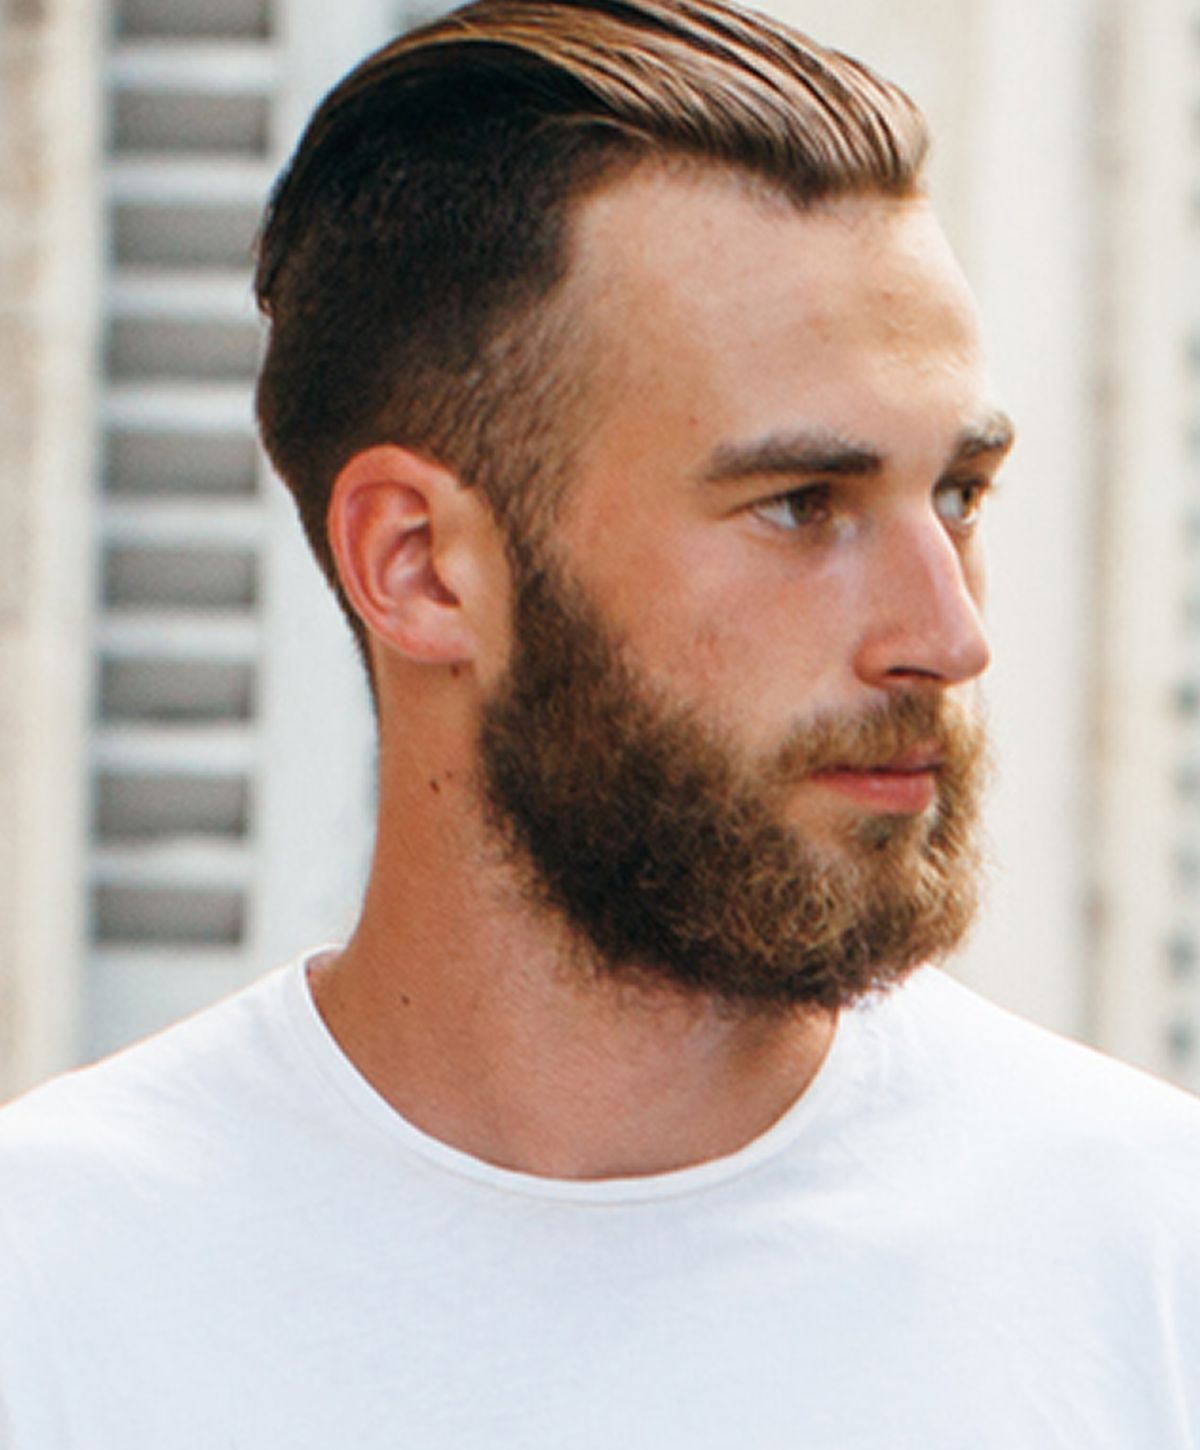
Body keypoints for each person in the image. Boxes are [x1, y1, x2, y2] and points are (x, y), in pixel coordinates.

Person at [2, 0, 1198, 1444]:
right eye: (799, 506)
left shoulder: (1146, 1267)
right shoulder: (57, 1287)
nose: (948, 634)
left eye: (956, 494)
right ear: (420, 564)